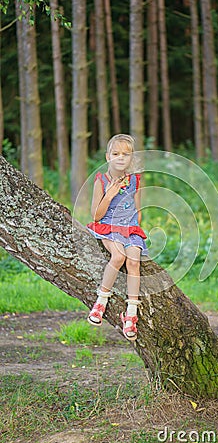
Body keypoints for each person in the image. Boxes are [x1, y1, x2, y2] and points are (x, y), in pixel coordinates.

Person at [86, 134, 147, 341]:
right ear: (107, 157)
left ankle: (131, 313)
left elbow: (138, 209)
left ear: (131, 158)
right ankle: (101, 301)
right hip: (109, 227)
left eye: (126, 154)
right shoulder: (101, 181)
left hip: (130, 228)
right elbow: (96, 215)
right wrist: (110, 194)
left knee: (133, 262)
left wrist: (134, 226)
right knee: (118, 257)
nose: (121, 158)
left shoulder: (135, 180)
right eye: (116, 153)